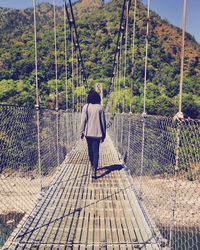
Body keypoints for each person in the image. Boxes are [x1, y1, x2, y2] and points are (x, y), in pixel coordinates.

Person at [80, 89, 106, 179]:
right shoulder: (100, 108)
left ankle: (92, 165)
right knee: (96, 151)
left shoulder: (86, 107)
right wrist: (104, 134)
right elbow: (103, 123)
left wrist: (81, 132)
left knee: (90, 151)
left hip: (88, 133)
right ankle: (94, 169)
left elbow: (83, 121)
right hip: (98, 134)